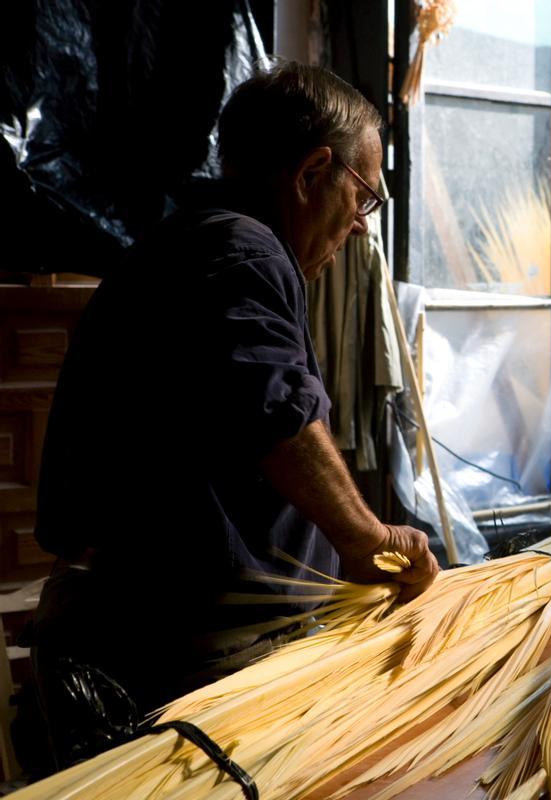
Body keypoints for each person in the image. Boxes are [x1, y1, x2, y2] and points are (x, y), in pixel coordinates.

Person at [16, 61, 438, 774]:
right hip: (158, 653)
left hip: (141, 635)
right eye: (362, 197)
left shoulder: (190, 243)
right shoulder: (241, 250)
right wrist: (368, 538)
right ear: (311, 174)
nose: (362, 229)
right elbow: (274, 410)